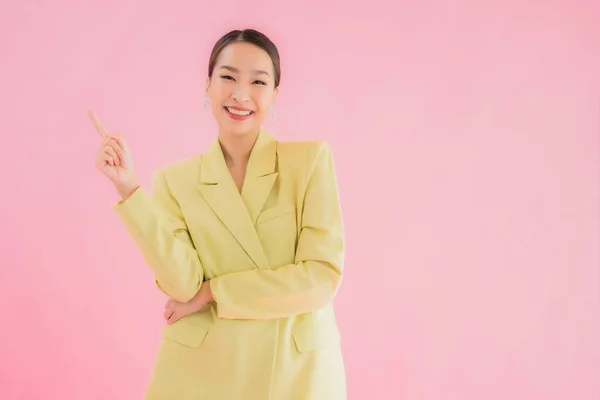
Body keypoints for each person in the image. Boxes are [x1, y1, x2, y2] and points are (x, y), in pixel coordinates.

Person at [93, 28, 346, 400]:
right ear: (208, 85)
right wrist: (129, 189)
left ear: (275, 94)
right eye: (227, 76)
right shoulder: (175, 181)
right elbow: (182, 286)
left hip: (296, 372)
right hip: (206, 371)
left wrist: (214, 292)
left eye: (258, 81)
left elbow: (321, 277)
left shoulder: (308, 162)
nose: (241, 95)